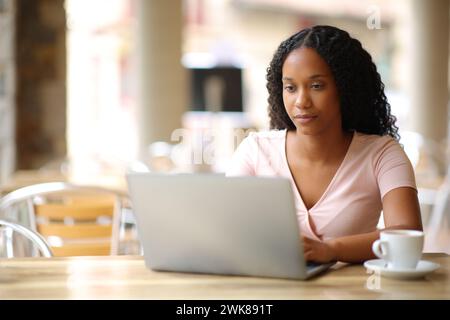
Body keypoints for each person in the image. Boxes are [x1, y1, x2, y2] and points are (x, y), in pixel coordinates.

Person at [226, 25, 422, 264]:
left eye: (316, 86)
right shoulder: (254, 150)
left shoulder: (382, 154)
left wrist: (332, 249)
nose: (301, 102)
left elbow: (408, 232)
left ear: (345, 88)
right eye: (290, 87)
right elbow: (228, 229)